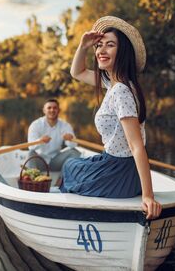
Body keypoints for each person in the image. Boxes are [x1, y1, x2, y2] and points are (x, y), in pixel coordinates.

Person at [60, 16, 162, 220]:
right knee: (72, 163)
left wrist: (148, 196)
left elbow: (136, 146)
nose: (101, 50)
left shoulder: (120, 91)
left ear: (122, 51)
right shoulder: (113, 83)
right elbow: (77, 72)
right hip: (122, 170)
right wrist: (83, 45)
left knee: (69, 166)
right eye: (99, 46)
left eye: (110, 45)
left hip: (118, 171)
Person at [27, 99, 80, 172]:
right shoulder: (36, 125)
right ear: (44, 110)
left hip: (56, 161)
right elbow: (30, 146)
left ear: (59, 110)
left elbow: (74, 145)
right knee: (30, 153)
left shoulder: (65, 125)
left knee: (74, 152)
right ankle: (33, 180)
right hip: (40, 160)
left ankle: (61, 179)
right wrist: (40, 141)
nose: (52, 110)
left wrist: (69, 139)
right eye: (49, 108)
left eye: (55, 108)